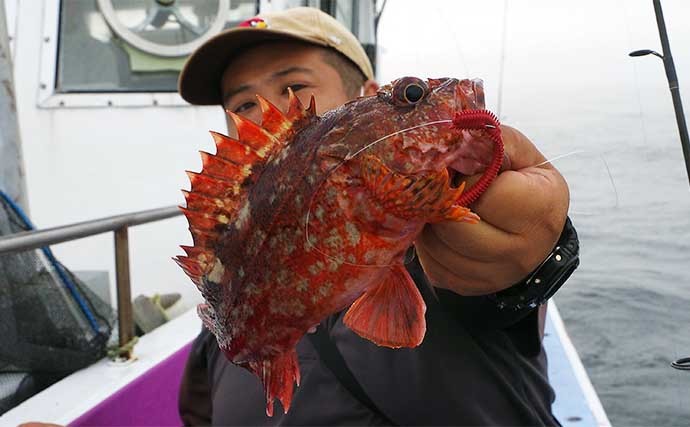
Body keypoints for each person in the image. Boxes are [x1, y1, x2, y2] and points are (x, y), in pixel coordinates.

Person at [177, 7, 575, 426]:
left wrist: (537, 257)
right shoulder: (222, 320)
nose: (267, 110)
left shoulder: (438, 250)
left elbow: (501, 280)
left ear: (367, 93)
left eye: (294, 85)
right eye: (242, 103)